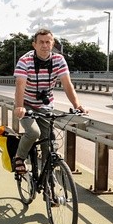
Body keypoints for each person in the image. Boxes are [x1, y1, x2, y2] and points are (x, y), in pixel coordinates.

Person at [12, 28, 87, 175]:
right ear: (34, 44)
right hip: (26, 103)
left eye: (48, 42)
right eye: (41, 42)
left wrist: (77, 105)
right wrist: (20, 107)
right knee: (33, 132)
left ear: (52, 44)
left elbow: (67, 84)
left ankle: (48, 179)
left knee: (49, 142)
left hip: (45, 105)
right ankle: (19, 158)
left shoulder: (58, 60)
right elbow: (20, 84)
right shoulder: (25, 60)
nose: (44, 45)